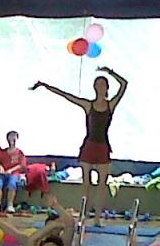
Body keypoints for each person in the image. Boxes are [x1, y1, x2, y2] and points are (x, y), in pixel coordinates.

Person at [31, 67, 127, 222]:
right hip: (89, 146)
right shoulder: (88, 105)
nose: (100, 88)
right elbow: (67, 96)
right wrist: (46, 86)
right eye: (98, 85)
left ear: (107, 88)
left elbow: (124, 85)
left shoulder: (111, 105)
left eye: (103, 85)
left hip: (102, 146)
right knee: (86, 184)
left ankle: (97, 218)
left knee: (102, 185)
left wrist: (110, 72)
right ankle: (84, 214)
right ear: (95, 88)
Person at [0, 131, 27, 213]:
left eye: (14, 137)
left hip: (14, 173)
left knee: (12, 184)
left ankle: (10, 205)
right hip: (3, 173)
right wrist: (1, 168)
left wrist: (11, 170)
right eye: (11, 136)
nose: (13, 138)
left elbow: (22, 165)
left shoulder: (20, 152)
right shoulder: (3, 152)